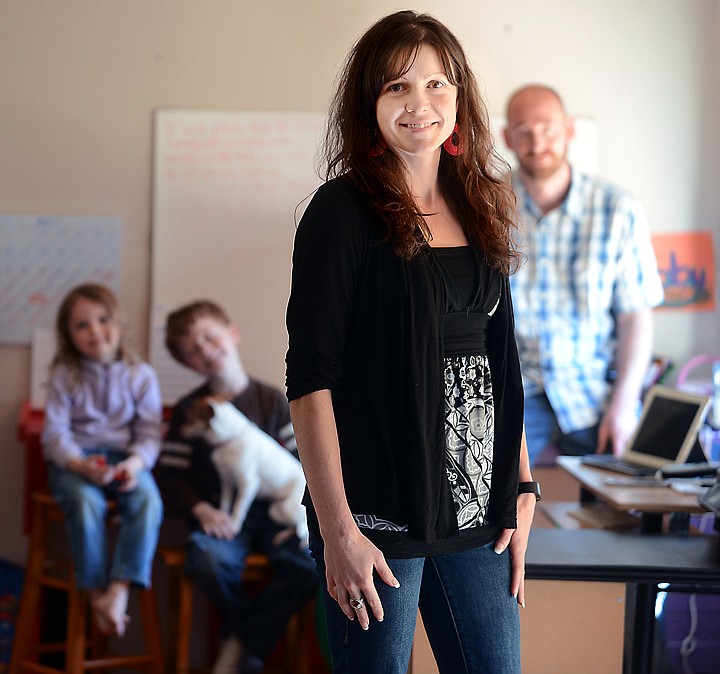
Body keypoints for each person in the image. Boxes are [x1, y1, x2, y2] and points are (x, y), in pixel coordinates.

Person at [285, 11, 537, 674]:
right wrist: (338, 532)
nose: (419, 104)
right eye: (397, 87)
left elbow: (496, 363)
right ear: (370, 104)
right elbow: (311, 379)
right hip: (376, 513)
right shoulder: (339, 213)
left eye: (435, 85)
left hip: (477, 509)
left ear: (458, 98)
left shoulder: (485, 202)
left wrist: (525, 486)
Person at [502, 84, 664, 465]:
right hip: (514, 393)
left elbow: (634, 317)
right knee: (490, 506)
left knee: (639, 499)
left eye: (547, 127)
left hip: (593, 393)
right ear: (507, 137)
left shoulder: (618, 210)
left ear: (569, 129)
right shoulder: (486, 208)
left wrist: (625, 402)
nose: (536, 141)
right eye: (523, 130)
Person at [159, 300, 317, 674]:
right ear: (187, 364)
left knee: (310, 568)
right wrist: (201, 510)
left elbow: (303, 469)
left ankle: (239, 643)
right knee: (209, 561)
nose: (206, 352)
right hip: (220, 520)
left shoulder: (273, 402)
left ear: (232, 333)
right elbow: (171, 477)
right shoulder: (188, 412)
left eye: (210, 339)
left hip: (276, 518)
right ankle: (245, 638)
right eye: (193, 352)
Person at [42, 283, 164, 637]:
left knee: (147, 501)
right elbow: (55, 436)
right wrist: (80, 465)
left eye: (102, 319)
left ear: (118, 322)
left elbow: (150, 434)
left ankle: (118, 590)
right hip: (77, 461)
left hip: (125, 460)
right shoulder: (65, 374)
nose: (94, 330)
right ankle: (95, 591)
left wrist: (134, 465)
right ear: (68, 335)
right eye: (81, 325)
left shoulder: (140, 375)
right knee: (84, 502)